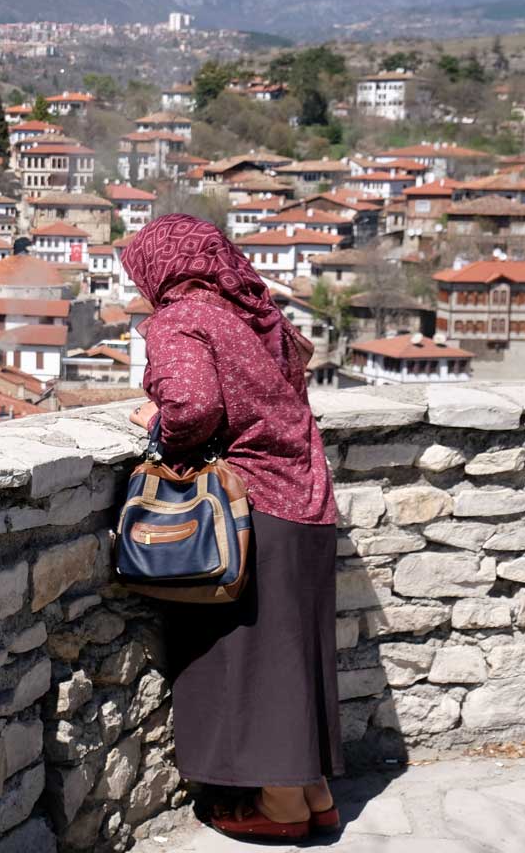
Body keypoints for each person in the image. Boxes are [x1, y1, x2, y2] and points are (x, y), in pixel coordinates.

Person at [119, 213, 342, 842]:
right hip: (308, 496)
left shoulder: (181, 319)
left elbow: (193, 405)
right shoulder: (257, 310)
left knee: (253, 658)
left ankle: (279, 806)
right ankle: (312, 791)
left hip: (249, 504)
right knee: (296, 653)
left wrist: (158, 424)